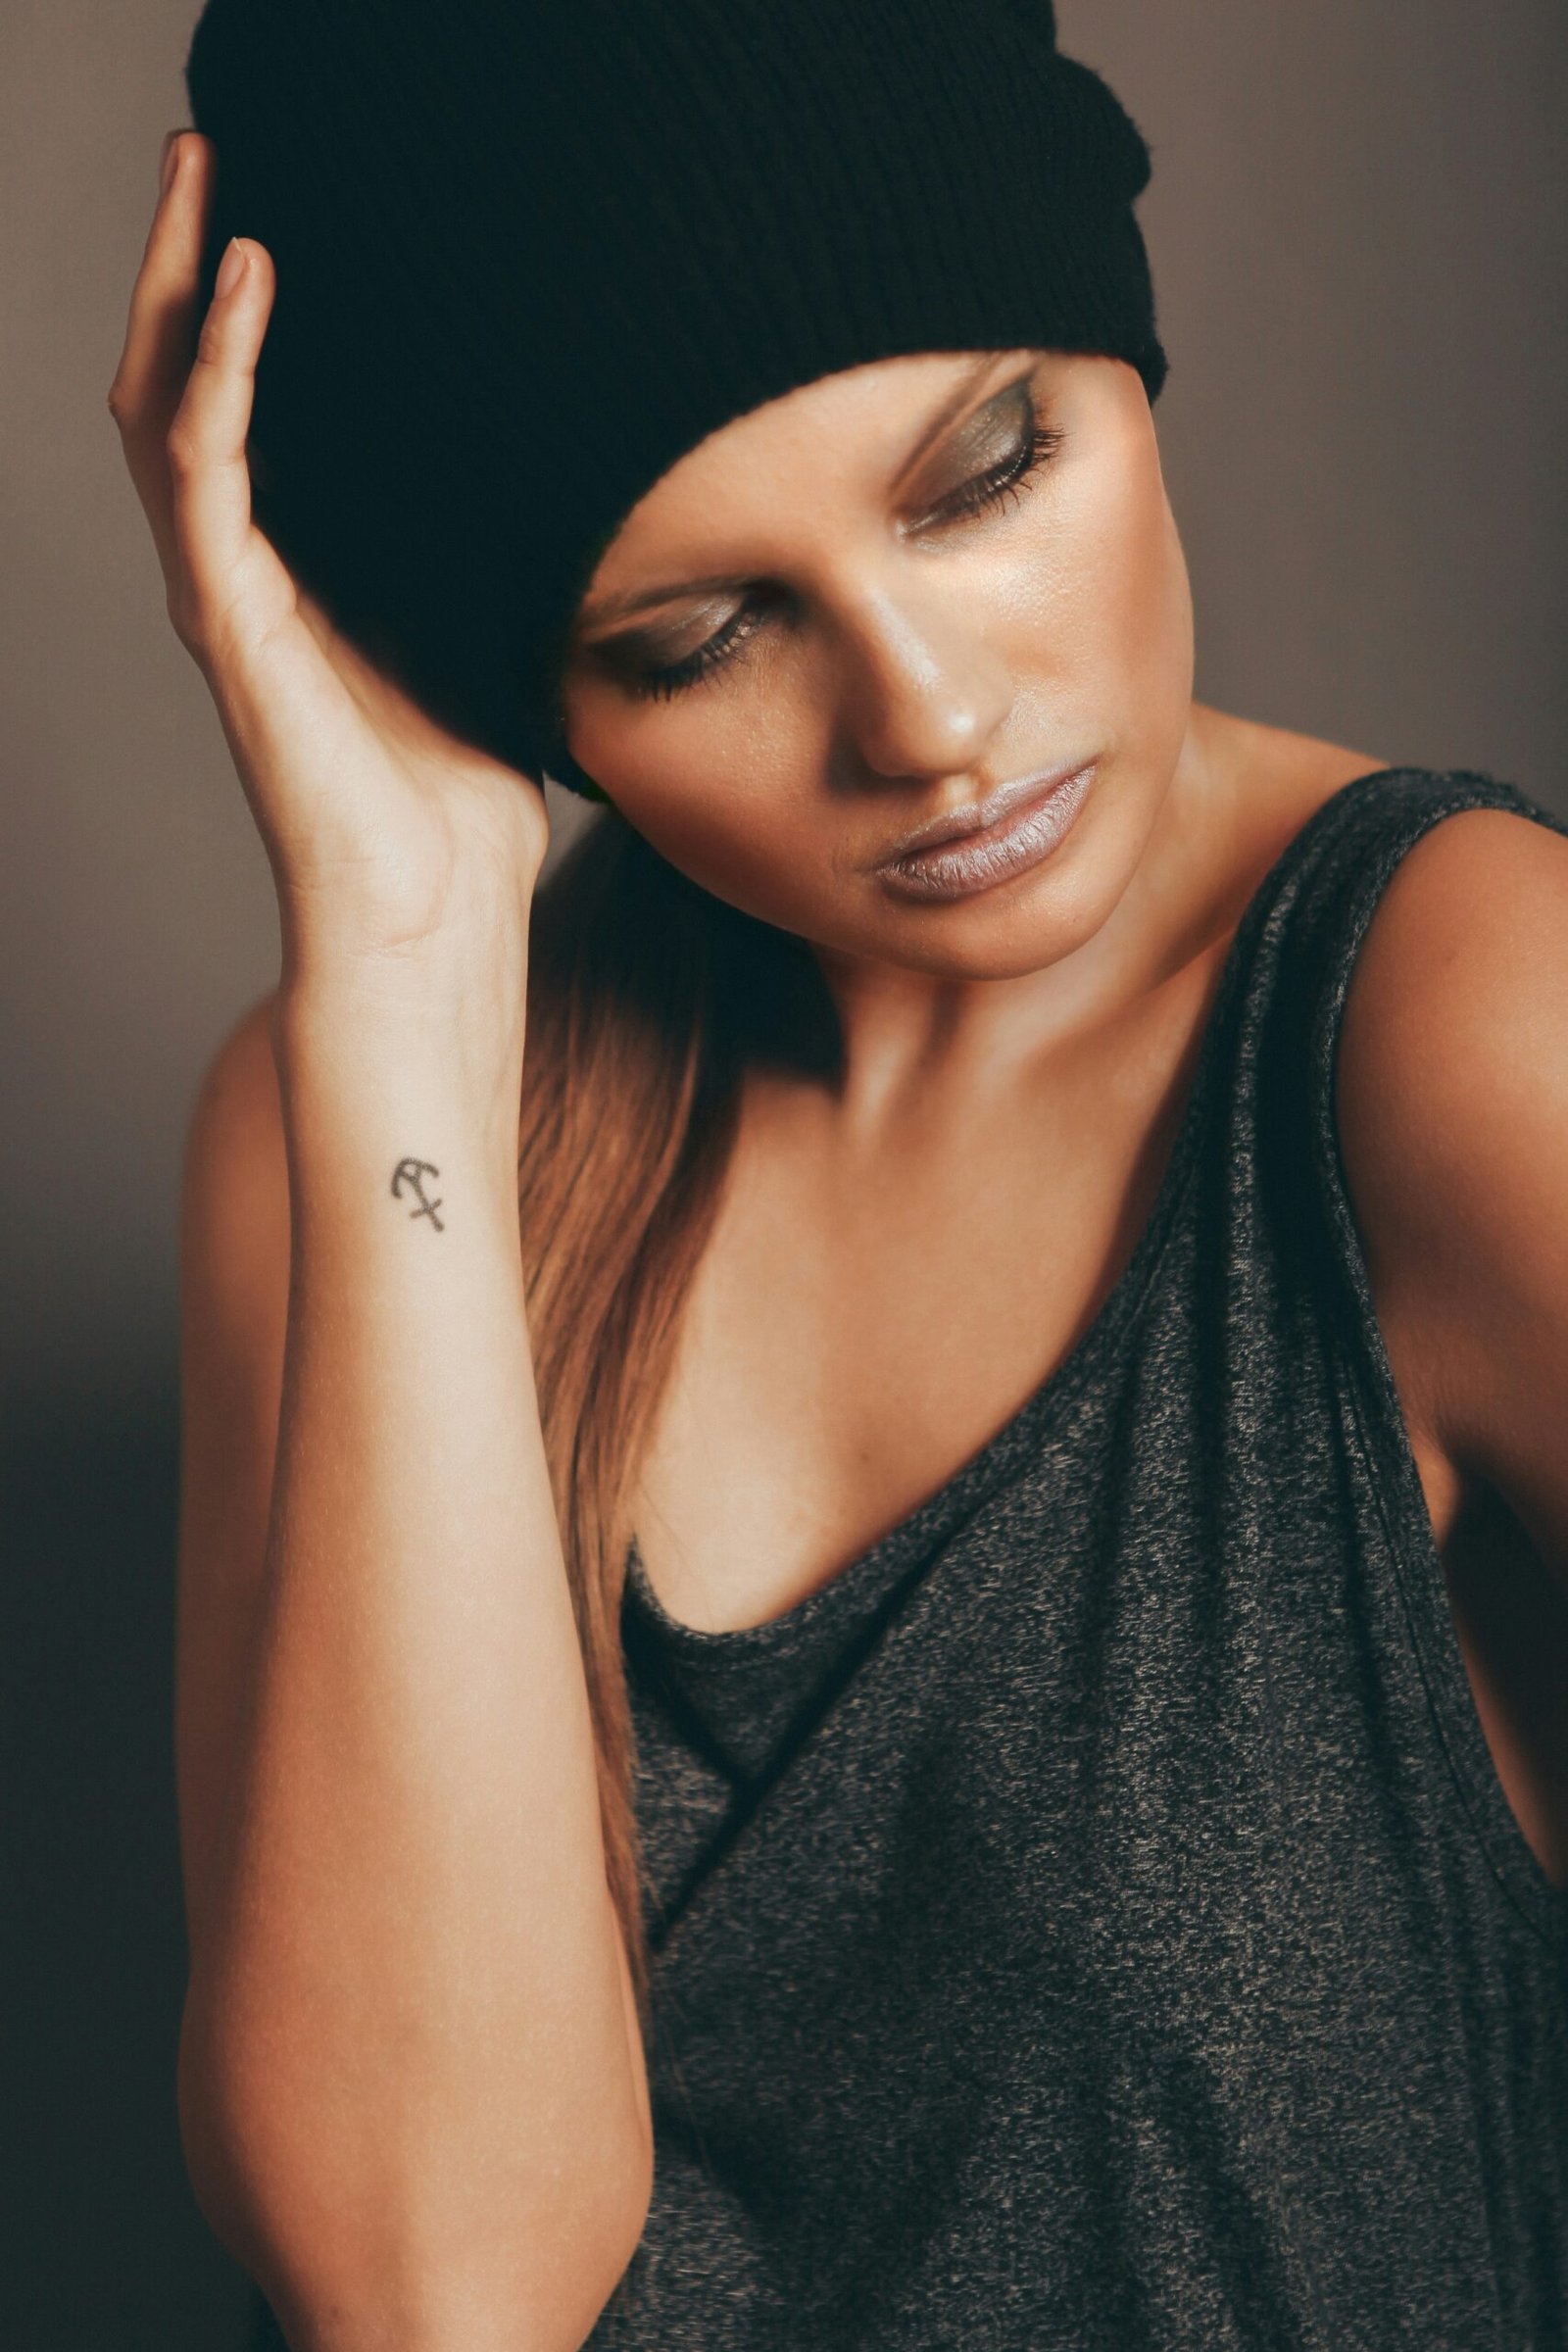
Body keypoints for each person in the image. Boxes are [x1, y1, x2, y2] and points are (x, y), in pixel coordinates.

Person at [107, 2, 1568, 2345]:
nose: (926, 719)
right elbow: (424, 2284)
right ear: (533, 710)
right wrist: (397, 966)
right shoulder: (361, 1144)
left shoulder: (1465, 1020)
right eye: (694, 638)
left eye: (984, 469)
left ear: (1121, 361)